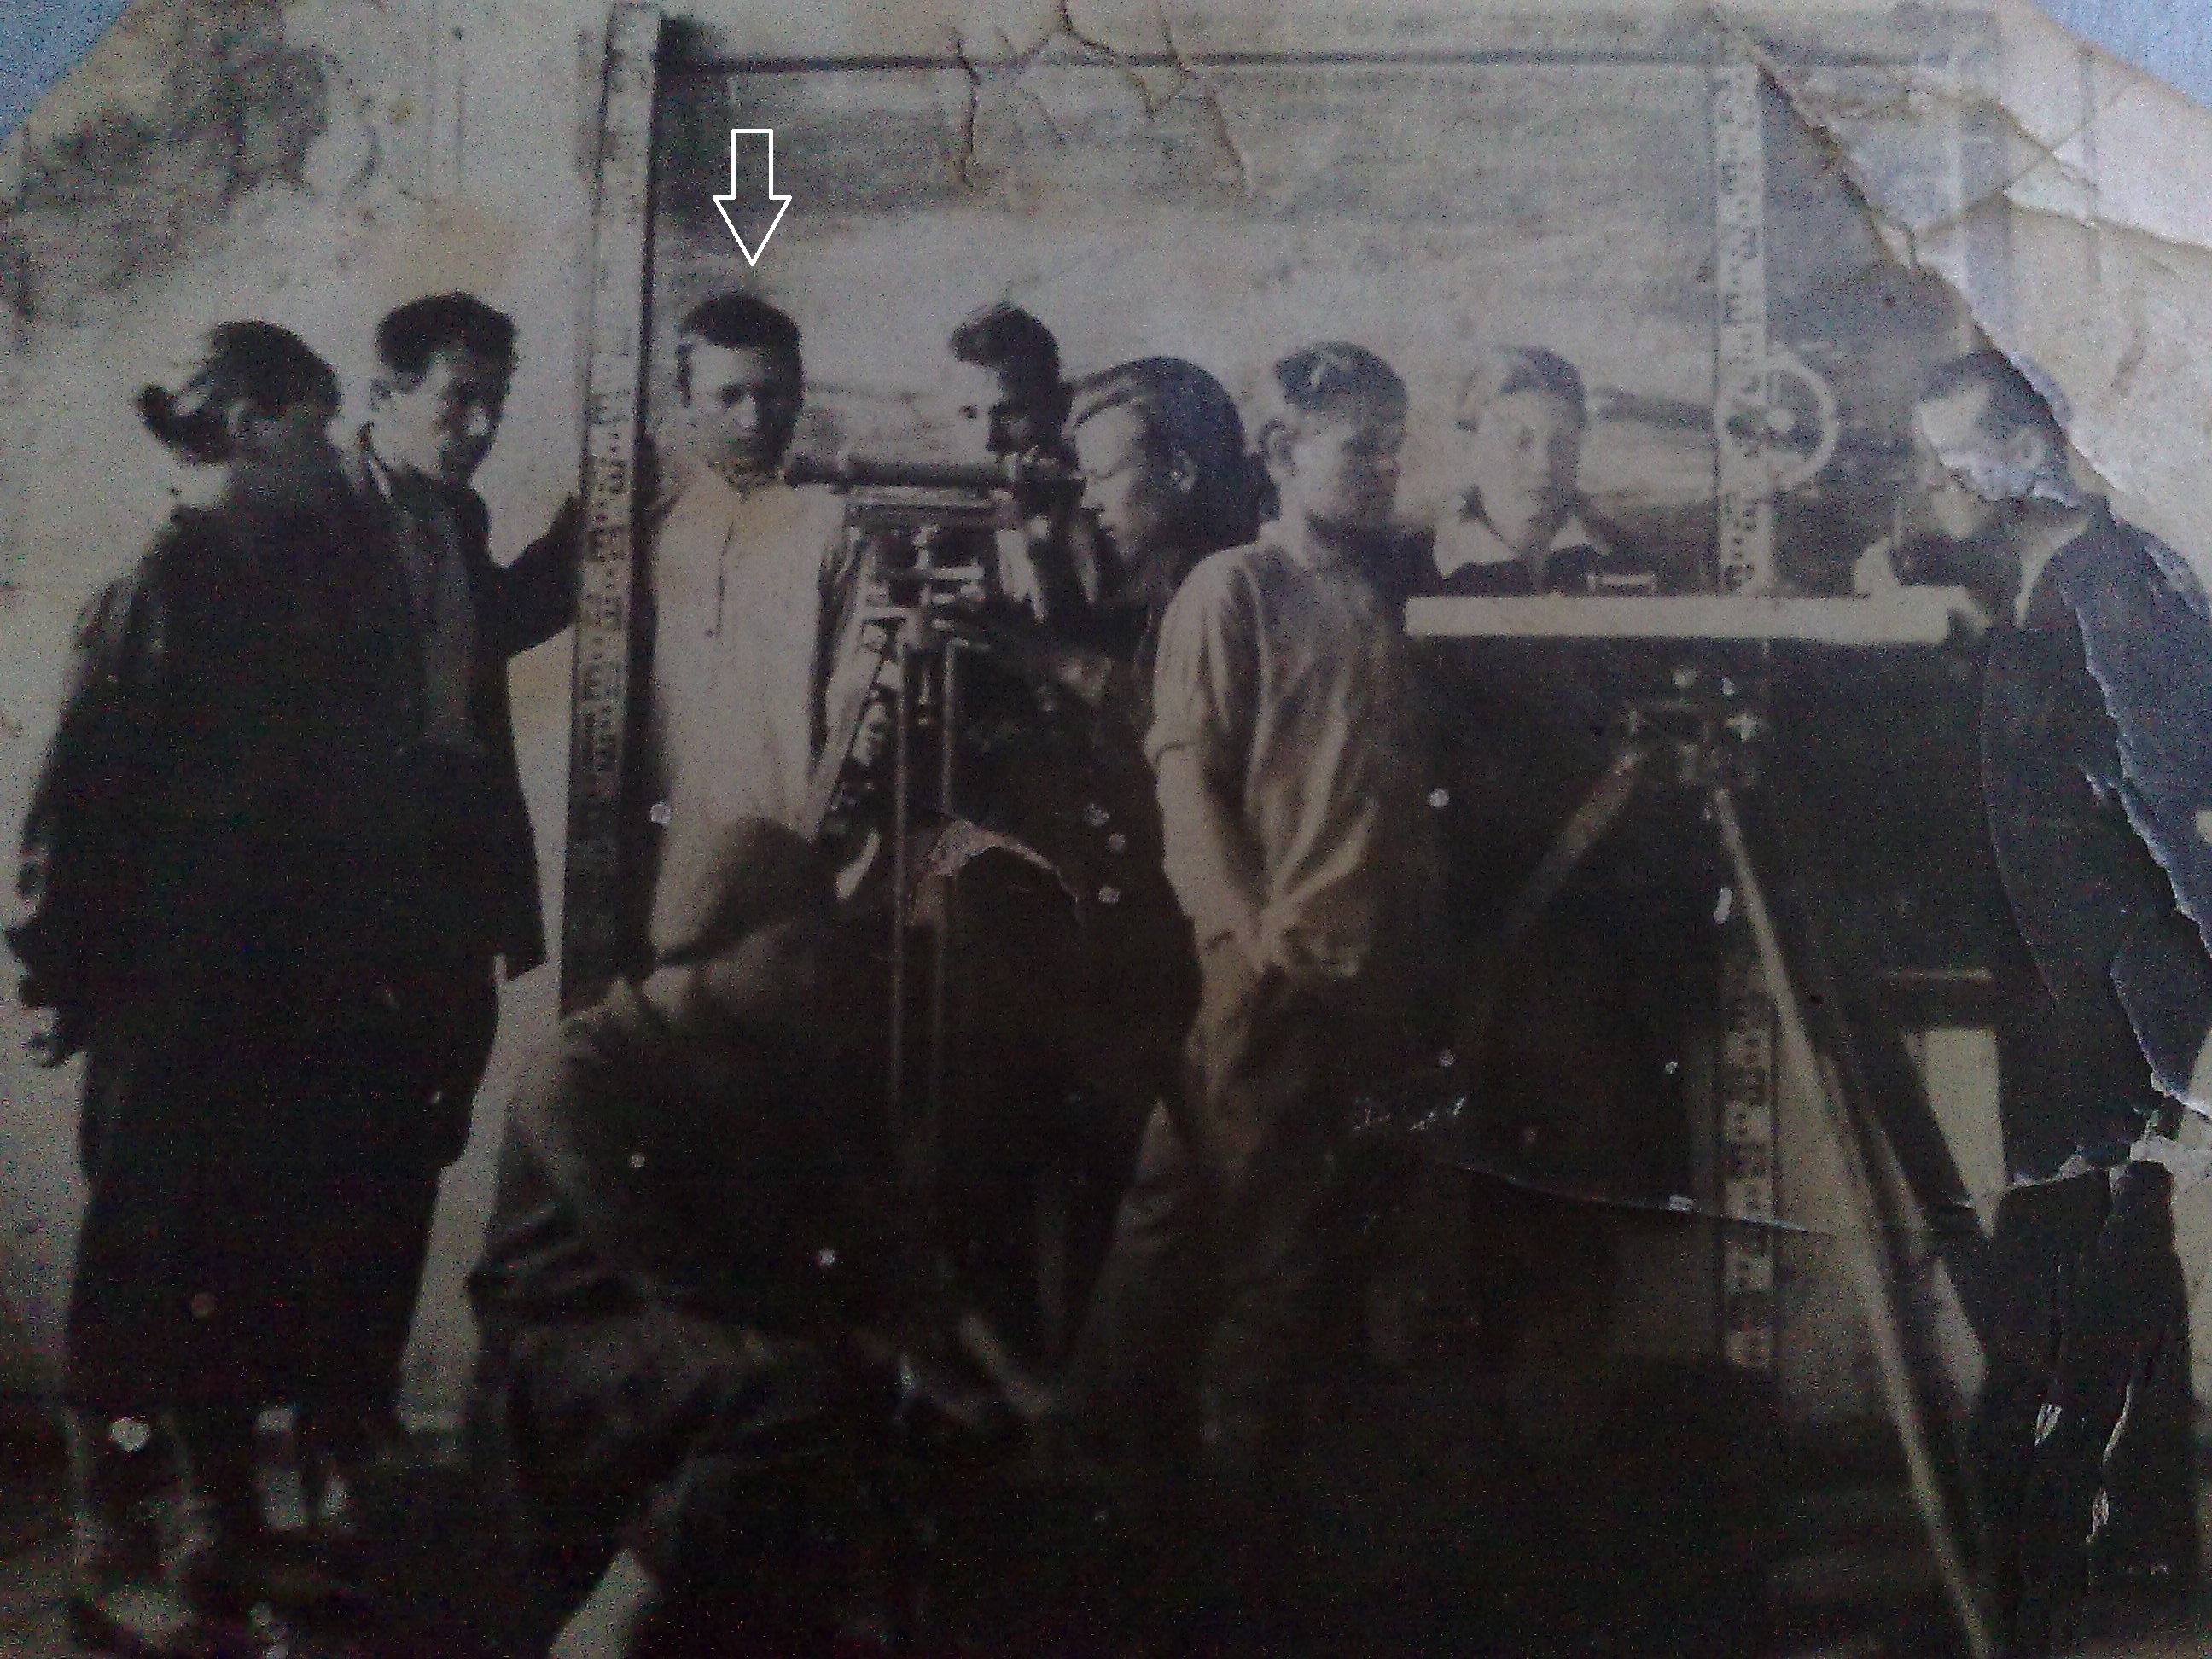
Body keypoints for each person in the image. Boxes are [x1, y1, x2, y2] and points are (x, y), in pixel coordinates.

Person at [9, 323, 423, 1651]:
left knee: (237, 1259)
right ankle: (107, 1549)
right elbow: (69, 801)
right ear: (247, 423)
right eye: (313, 422)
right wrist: (51, 974)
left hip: (267, 987)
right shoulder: (156, 585)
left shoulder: (280, 577)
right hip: (161, 991)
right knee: (141, 1267)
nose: (329, 448)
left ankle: (223, 1531)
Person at [1068, 342, 1442, 1639]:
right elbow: (1189, 788)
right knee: (1266, 1273)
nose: (1383, 467)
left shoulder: (1378, 592)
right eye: (1357, 445)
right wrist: (1254, 943)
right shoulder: (1234, 588)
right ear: (1281, 455)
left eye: (1393, 442)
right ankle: (1216, 1574)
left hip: (1365, 987)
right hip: (1277, 983)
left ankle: (1119, 1515)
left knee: (1200, 1231)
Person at [1884, 348, 2212, 1652]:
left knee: (2081, 1240)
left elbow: (2172, 813)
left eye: (1957, 455)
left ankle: (2026, 1536)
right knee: (2100, 1237)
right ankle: (2114, 1531)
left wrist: (2169, 1012)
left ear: (2030, 447)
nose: (1941, 482)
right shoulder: (2033, 582)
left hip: (2115, 986)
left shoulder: (2113, 587)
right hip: (2060, 976)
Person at [469, 816, 944, 1657]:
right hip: (560, 1365)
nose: (813, 976)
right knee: (787, 1383)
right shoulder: (580, 1069)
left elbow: (839, 1232)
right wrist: (847, 1335)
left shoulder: (757, 1064)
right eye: (791, 950)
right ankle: (605, 1629)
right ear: (708, 944)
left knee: (848, 1391)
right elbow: (673, 1272)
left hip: (685, 1353)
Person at [320, 290, 579, 1497]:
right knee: (331, 1166)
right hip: (342, 898)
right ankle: (328, 1438)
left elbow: (489, 632)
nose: (478, 429)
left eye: (495, 405)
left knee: (417, 1147)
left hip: (449, 889)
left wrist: (586, 532)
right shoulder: (315, 521)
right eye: (456, 400)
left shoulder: (458, 514)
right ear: (383, 394)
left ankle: (360, 1421)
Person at [633, 291, 864, 949]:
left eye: (773, 394)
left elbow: (856, 688)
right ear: (686, 399)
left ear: (799, 394)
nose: (754, 418)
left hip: (784, 833)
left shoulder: (835, 525)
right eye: (728, 397)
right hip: (662, 827)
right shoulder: (645, 520)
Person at [1429, 346, 1658, 597]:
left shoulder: (1626, 558)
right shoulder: (1419, 564)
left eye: (1561, 443)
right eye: (1520, 440)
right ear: (1469, 446)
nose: (1544, 465)